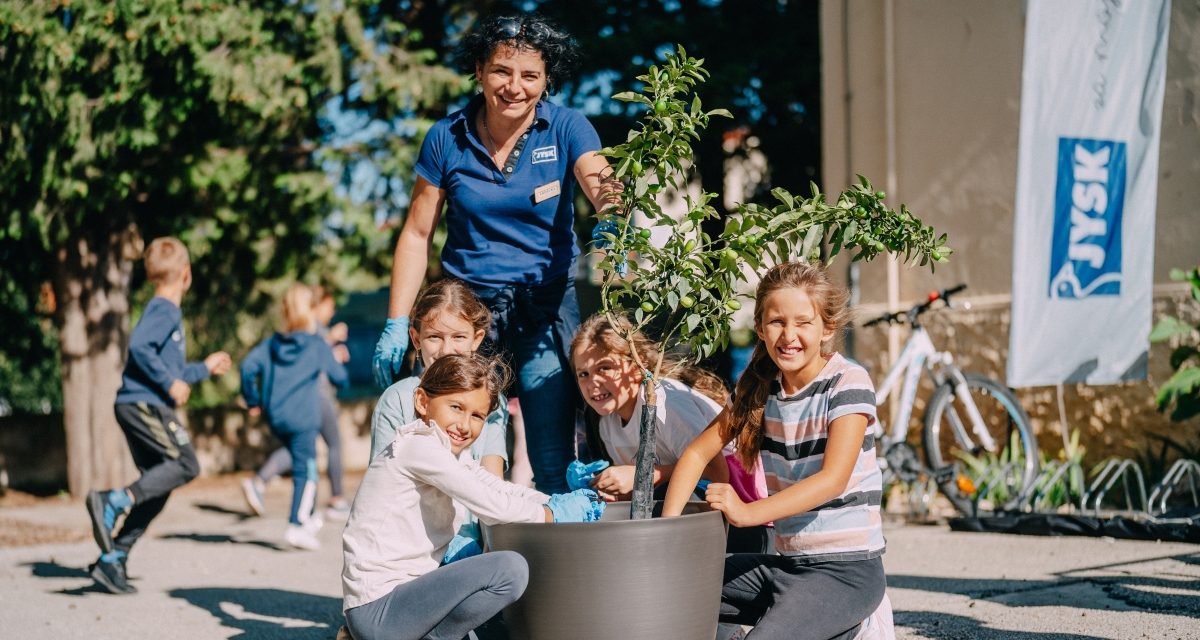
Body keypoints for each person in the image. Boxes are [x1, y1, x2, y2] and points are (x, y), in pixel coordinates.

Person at [371, 13, 616, 494]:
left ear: (546, 80)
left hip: (545, 312)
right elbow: (417, 233)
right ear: (480, 69)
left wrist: (614, 216)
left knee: (550, 458)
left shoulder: (566, 128)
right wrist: (398, 320)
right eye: (502, 71)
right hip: (469, 317)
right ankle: (466, 557)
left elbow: (601, 181)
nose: (514, 86)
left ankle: (551, 563)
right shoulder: (447, 136)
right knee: (459, 449)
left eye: (530, 75)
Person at [662, 262, 894, 640]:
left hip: (848, 573)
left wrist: (746, 512)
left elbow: (832, 480)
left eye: (803, 322)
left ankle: (850, 627)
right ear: (760, 328)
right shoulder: (758, 388)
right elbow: (694, 455)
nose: (789, 335)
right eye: (776, 322)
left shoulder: (848, 381)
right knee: (673, 586)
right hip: (789, 566)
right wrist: (667, 535)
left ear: (827, 328)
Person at [341, 353, 604, 640]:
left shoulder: (447, 453)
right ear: (422, 402)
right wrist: (552, 514)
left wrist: (549, 500)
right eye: (456, 407)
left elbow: (495, 487)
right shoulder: (418, 448)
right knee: (509, 569)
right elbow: (491, 504)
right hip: (380, 610)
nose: (465, 425)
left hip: (403, 604)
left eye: (477, 415)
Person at [85, 237, 232, 594]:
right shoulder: (166, 309)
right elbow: (139, 348)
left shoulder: (162, 309)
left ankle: (113, 558)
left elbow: (170, 369)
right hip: (143, 405)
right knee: (186, 464)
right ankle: (113, 500)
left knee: (159, 483)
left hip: (141, 403)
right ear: (186, 274)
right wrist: (170, 382)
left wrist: (202, 370)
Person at [567, 315, 735, 503]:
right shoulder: (607, 423)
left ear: (638, 366)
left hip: (741, 497)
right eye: (583, 374)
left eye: (604, 368)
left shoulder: (666, 403)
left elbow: (717, 473)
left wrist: (643, 475)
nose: (593, 382)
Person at [240, 284, 350, 550]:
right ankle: (297, 524)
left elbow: (247, 367)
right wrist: (334, 359)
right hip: (304, 417)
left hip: (276, 416)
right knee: (305, 469)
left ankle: (309, 517)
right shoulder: (315, 345)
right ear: (310, 312)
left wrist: (253, 399)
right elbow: (340, 378)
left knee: (303, 461)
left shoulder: (271, 344)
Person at [370, 278, 508, 477]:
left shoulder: (491, 399)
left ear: (476, 339)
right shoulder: (397, 399)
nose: (446, 350)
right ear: (416, 339)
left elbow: (493, 481)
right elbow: (381, 479)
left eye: (458, 337)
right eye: (434, 337)